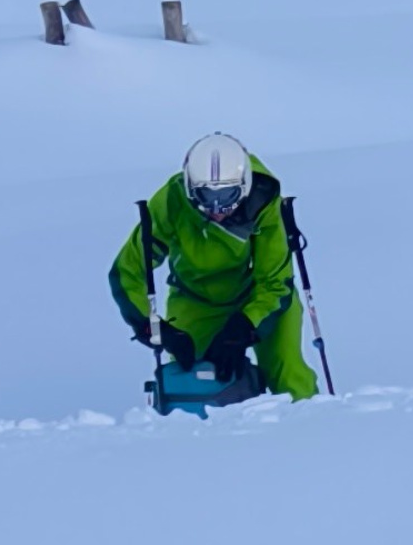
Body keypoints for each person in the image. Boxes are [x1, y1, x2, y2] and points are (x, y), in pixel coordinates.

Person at [112, 132, 319, 401]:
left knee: (287, 372)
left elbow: (275, 283)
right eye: (206, 197)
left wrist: (243, 327)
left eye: (228, 195)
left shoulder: (264, 203)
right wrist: (153, 327)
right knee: (195, 381)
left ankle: (308, 428)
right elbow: (128, 270)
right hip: (196, 298)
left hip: (260, 297)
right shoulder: (170, 202)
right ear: (190, 188)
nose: (218, 208)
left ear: (243, 186)